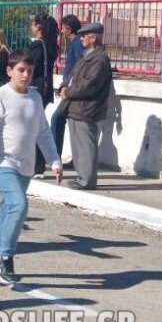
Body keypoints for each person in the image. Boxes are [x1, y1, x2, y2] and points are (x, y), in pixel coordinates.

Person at [0, 51, 63, 285]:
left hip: (25, 165)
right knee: (19, 205)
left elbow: (43, 132)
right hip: (3, 163)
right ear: (9, 71)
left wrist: (54, 160)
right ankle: (5, 257)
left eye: (30, 71)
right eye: (20, 70)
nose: (26, 75)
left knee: (8, 212)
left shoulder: (35, 98)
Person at [60, 22, 113, 190]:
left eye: (85, 36)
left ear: (93, 38)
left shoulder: (99, 58)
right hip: (77, 106)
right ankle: (82, 177)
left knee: (86, 145)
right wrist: (63, 86)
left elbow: (89, 84)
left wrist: (68, 92)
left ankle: (87, 180)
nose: (81, 38)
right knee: (78, 145)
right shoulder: (87, 55)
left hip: (87, 108)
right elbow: (73, 76)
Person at [28, 14, 59, 176]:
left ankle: (37, 164)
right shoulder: (50, 45)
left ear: (39, 27)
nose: (31, 28)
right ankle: (37, 164)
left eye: (33, 24)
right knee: (38, 127)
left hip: (35, 89)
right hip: (44, 90)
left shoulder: (38, 47)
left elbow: (30, 67)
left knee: (33, 129)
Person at [51, 14, 85, 161]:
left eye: (63, 28)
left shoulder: (77, 43)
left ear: (69, 29)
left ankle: (54, 156)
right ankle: (74, 159)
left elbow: (79, 65)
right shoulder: (74, 42)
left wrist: (67, 85)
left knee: (57, 118)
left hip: (72, 89)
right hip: (69, 86)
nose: (61, 31)